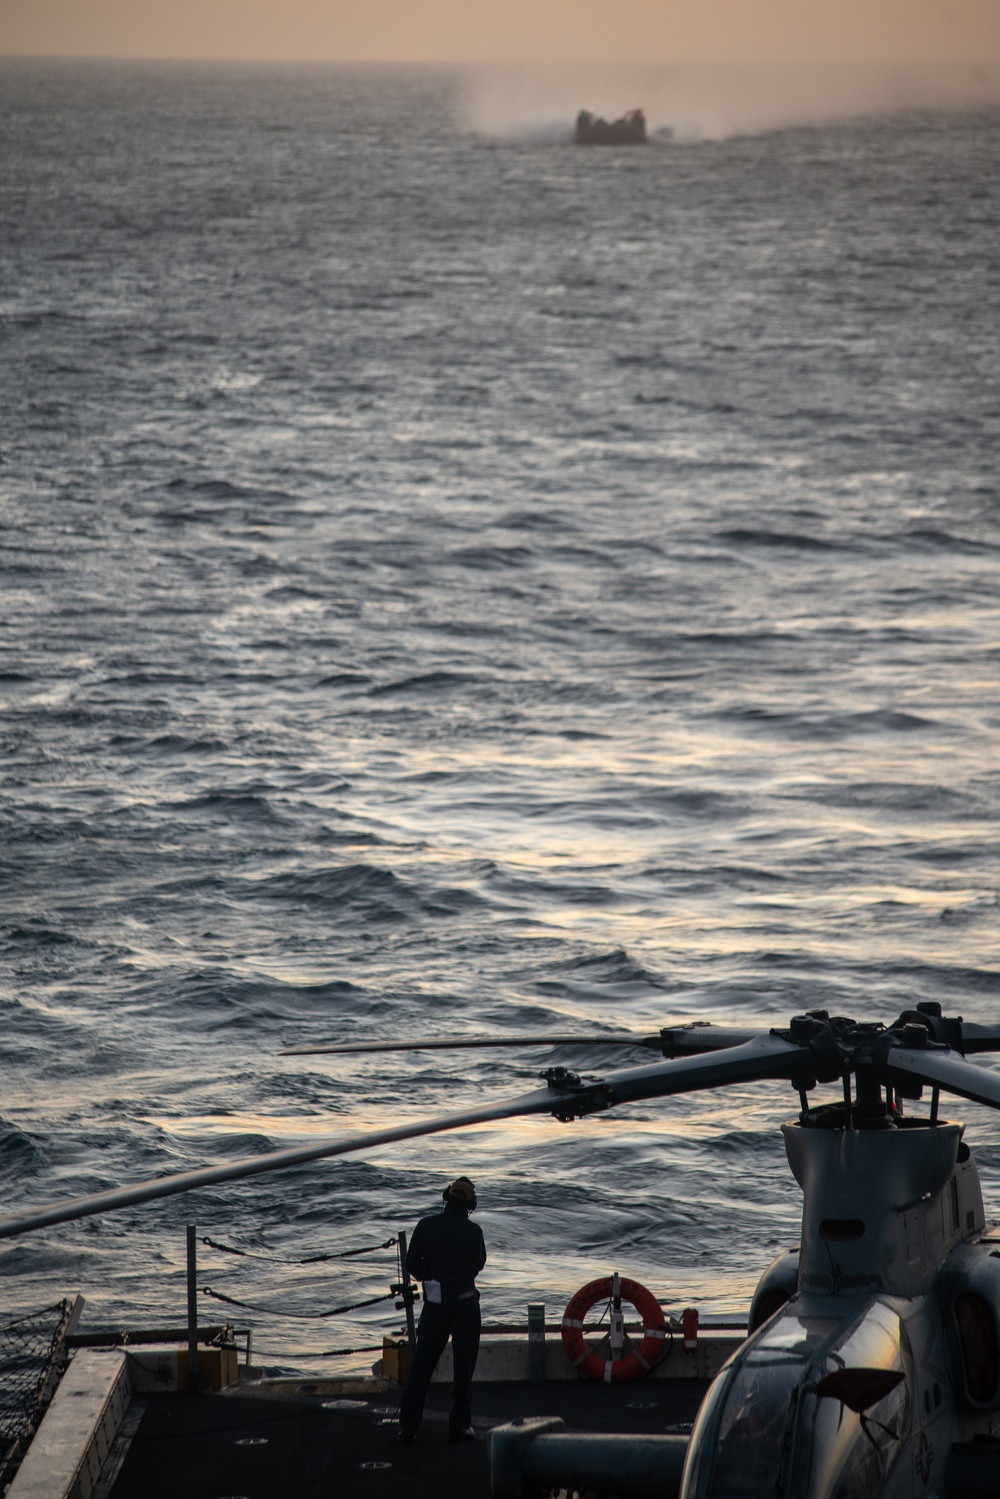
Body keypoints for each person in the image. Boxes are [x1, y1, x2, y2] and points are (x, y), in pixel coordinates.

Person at [398, 1176, 487, 1445]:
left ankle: (408, 1427)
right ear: (471, 1204)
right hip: (465, 1302)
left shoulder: (426, 1226)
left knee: (422, 1366)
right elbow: (478, 1265)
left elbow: (412, 1263)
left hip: (435, 1303)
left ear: (446, 1198)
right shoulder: (474, 1232)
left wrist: (433, 1278)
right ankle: (459, 1426)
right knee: (463, 1368)